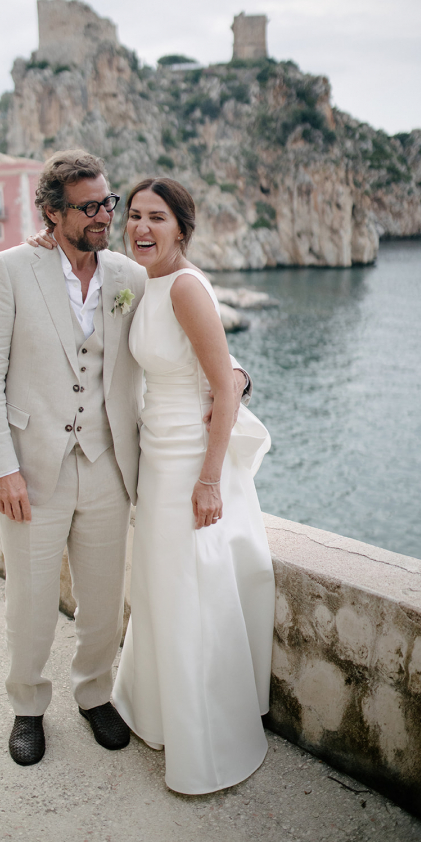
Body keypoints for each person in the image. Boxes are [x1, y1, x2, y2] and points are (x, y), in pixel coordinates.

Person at [0, 150, 248, 767]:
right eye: (89, 206)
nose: (105, 216)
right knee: (31, 600)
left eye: (108, 202)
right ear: (52, 213)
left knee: (101, 601)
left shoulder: (128, 274)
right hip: (32, 468)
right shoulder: (11, 269)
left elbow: (185, 336)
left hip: (110, 463)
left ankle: (95, 694)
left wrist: (232, 376)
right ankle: (27, 707)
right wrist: (1, 466)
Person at [111, 178, 275, 795]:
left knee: (188, 592)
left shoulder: (183, 286)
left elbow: (224, 382)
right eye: (134, 216)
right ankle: (158, 713)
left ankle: (205, 738)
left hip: (189, 464)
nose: (141, 227)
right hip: (156, 458)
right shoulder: (141, 282)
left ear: (182, 227)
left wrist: (210, 481)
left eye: (157, 217)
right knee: (160, 590)